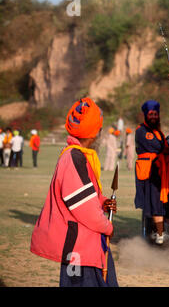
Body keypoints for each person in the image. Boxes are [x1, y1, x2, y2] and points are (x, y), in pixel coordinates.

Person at [30, 97, 118, 287]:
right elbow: (84, 208)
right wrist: (107, 227)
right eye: (99, 129)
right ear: (94, 133)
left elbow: (86, 197)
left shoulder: (77, 156)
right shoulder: (73, 158)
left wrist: (102, 202)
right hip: (79, 253)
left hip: (88, 249)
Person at [134, 100, 169, 245]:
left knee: (161, 203)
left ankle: (161, 231)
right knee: (156, 203)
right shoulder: (142, 131)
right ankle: (159, 234)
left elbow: (164, 147)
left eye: (155, 114)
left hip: (159, 171)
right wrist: (167, 149)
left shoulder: (158, 132)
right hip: (151, 172)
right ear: (145, 115)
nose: (153, 116)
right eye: (151, 114)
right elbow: (157, 147)